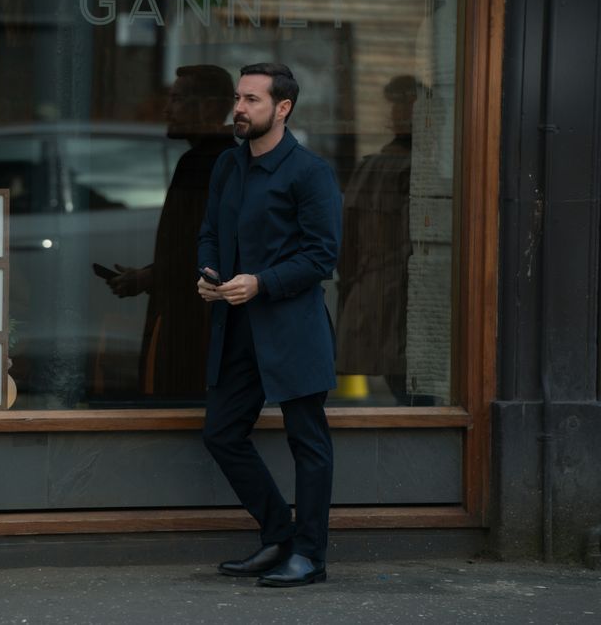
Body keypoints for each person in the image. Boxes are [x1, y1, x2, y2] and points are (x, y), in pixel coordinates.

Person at [197, 63, 341, 587]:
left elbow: (322, 256)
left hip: (293, 329)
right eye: (238, 97)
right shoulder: (227, 167)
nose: (240, 108)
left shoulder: (309, 172)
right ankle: (279, 535)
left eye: (252, 100)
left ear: (283, 109)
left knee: (308, 443)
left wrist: (261, 282)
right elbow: (210, 232)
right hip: (237, 327)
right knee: (221, 433)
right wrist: (209, 274)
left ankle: (311, 556)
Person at [106, 65, 236, 398]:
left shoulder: (209, 162)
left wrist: (151, 277)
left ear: (207, 106)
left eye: (177, 100)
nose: (167, 110)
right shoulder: (212, 159)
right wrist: (150, 274)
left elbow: (205, 245)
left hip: (194, 318)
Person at [336, 75, 427, 405]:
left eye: (409, 107)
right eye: (399, 107)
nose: (402, 114)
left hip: (399, 301)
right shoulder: (380, 168)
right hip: (383, 298)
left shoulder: (430, 167)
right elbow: (348, 243)